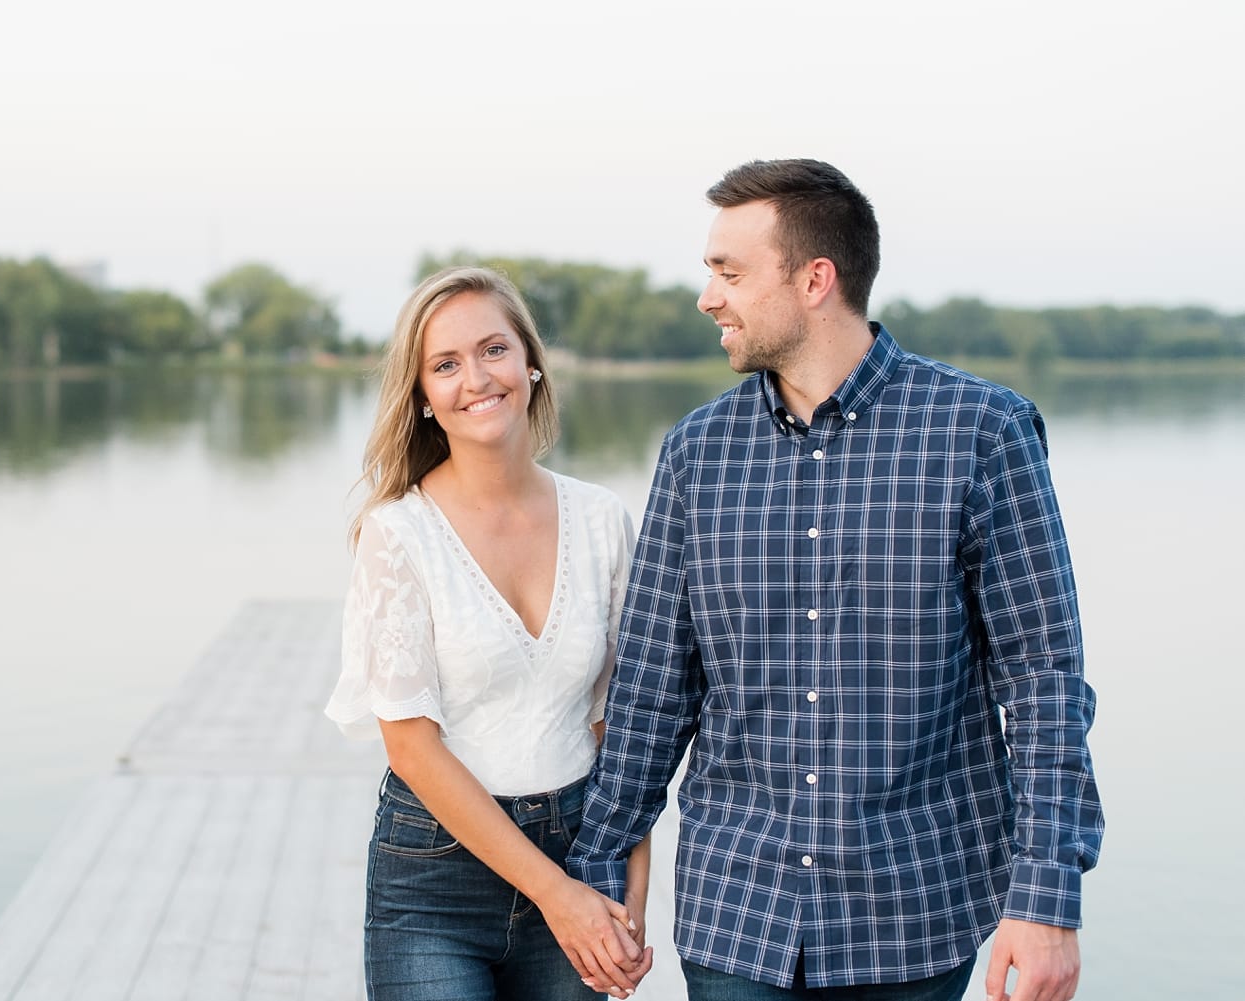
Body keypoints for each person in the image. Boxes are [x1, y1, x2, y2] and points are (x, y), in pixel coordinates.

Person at [564, 160, 1104, 1001]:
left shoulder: (981, 431)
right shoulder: (696, 453)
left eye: (729, 273)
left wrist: (1046, 900)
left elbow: (1043, 681)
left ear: (816, 279)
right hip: (737, 910)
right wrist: (597, 865)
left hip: (915, 910)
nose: (708, 297)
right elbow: (653, 687)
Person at [325, 266, 654, 1001]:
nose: (475, 377)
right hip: (435, 881)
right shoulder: (397, 534)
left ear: (531, 363)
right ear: (423, 398)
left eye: (493, 349)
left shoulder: (603, 520)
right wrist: (556, 894)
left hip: (581, 848)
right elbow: (410, 745)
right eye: (445, 364)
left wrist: (630, 887)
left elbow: (624, 727)